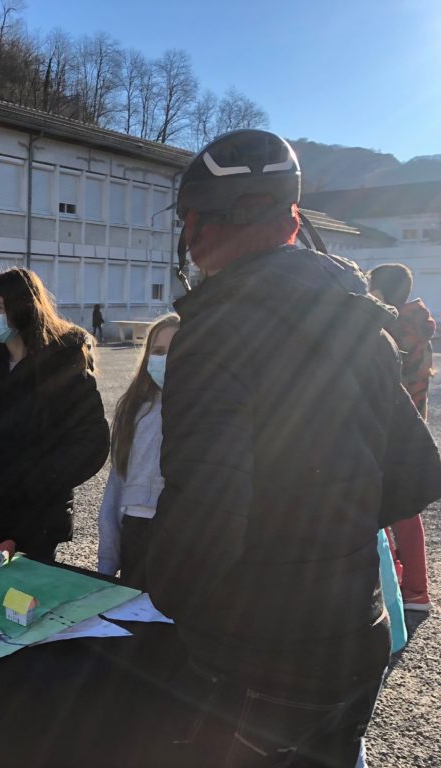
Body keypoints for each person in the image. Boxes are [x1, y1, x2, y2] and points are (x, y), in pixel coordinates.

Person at [145, 130, 441, 767]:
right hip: (358, 632)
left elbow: (205, 515)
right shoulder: (356, 314)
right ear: (295, 220)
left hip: (258, 651)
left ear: (194, 226)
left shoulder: (215, 330)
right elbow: (417, 474)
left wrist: (158, 597)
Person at [0, 268, 109, 563]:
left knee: (26, 598)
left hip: (38, 515)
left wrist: (43, 479)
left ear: (24, 305)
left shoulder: (64, 362)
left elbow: (92, 437)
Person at [368, 263, 435, 612]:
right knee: (404, 508)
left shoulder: (392, 329)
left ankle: (411, 591)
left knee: (397, 509)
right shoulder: (415, 326)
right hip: (408, 425)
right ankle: (412, 589)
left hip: (389, 427)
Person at [97, 313, 178, 587]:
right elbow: (116, 486)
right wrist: (106, 565)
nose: (165, 359)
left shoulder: (208, 412)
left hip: (183, 536)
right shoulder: (135, 409)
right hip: (138, 532)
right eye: (158, 351)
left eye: (175, 350)